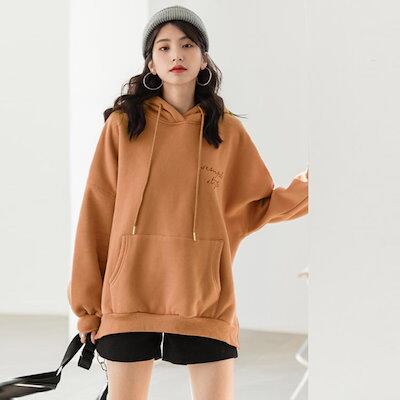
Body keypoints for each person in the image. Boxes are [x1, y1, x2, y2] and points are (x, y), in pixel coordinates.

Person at [67, 5, 309, 399]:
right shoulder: (123, 126)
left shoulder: (226, 131)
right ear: (151, 63)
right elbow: (96, 215)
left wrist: (312, 186)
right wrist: (88, 309)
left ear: (203, 58)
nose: (176, 55)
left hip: (204, 302)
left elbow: (258, 205)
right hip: (127, 299)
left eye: (187, 45)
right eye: (163, 47)